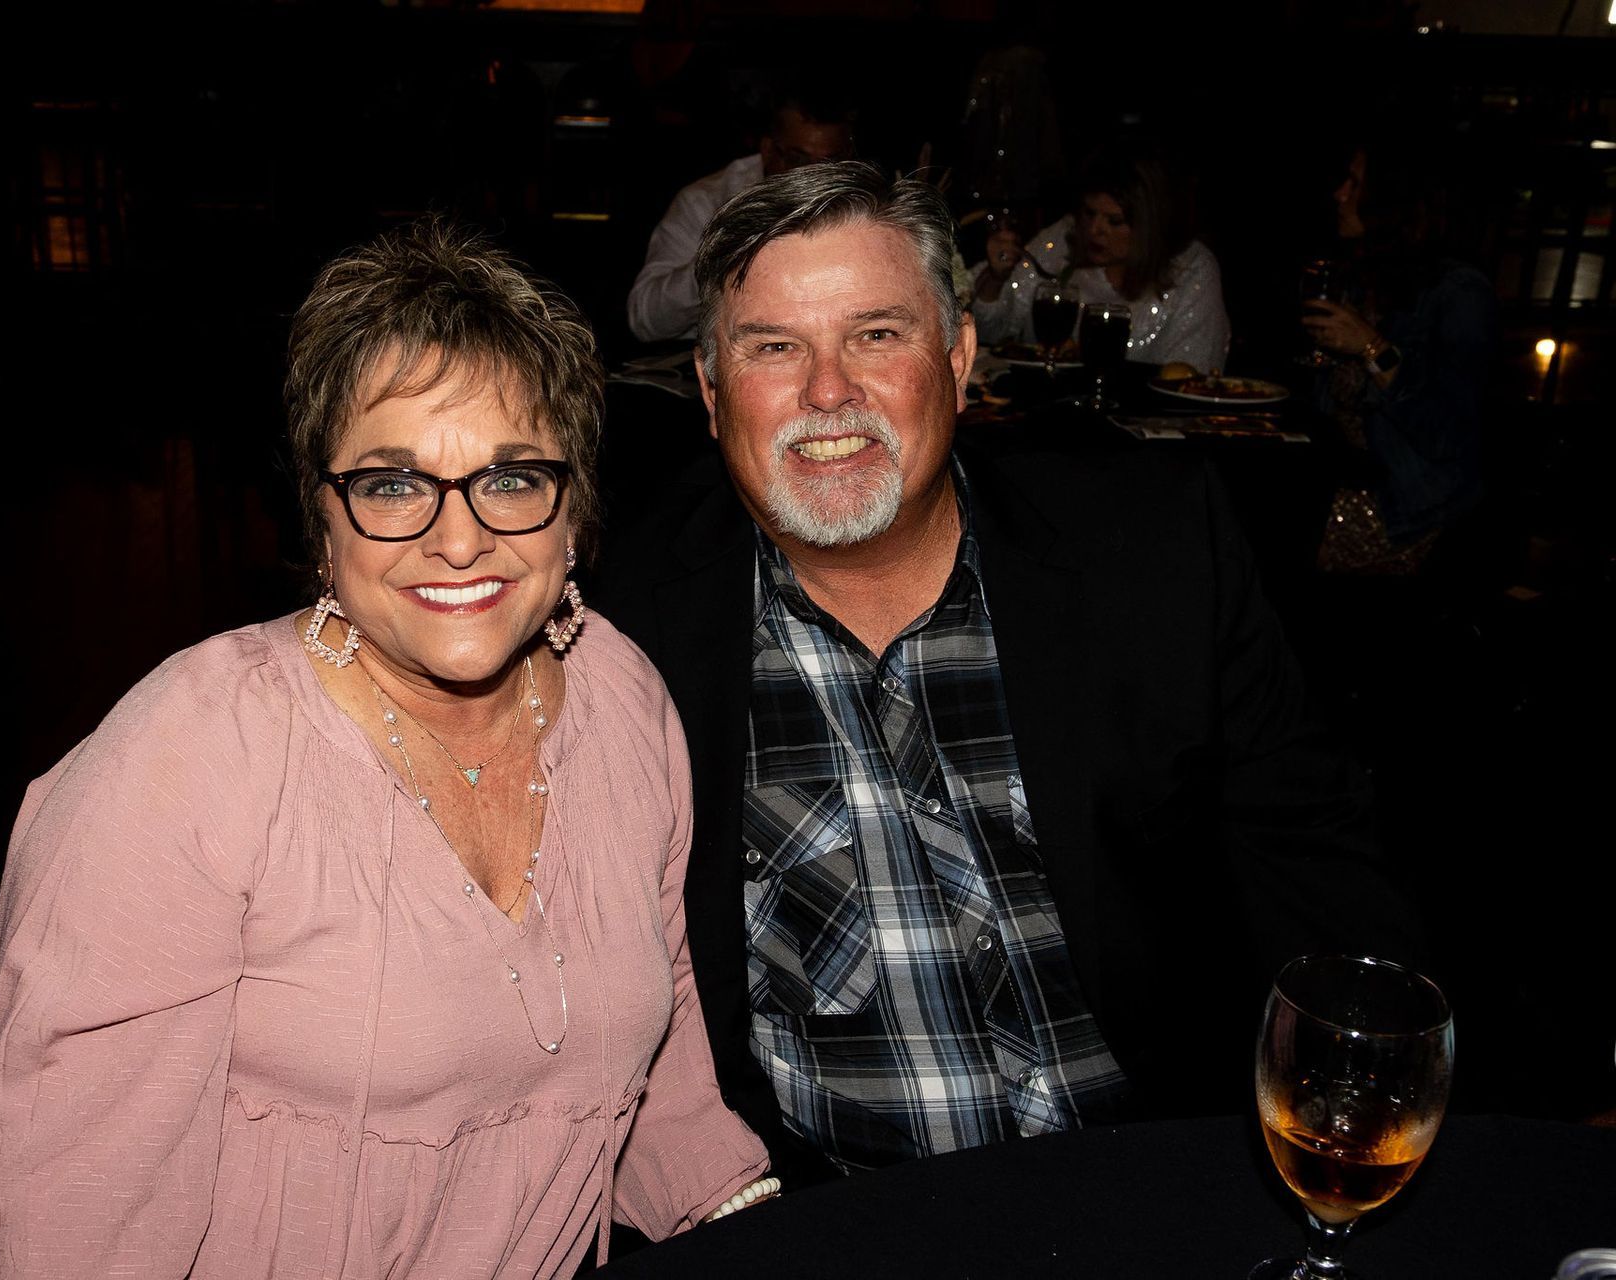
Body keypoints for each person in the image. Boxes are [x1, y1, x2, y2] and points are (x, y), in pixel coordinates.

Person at [0, 220, 772, 1279]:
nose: (459, 535)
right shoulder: (190, 759)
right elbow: (70, 1231)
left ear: (576, 512)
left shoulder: (623, 703)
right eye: (392, 483)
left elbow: (662, 1064)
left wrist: (760, 1220)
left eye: (512, 474)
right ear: (322, 520)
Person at [594, 162, 1414, 1182]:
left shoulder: (1152, 554)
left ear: (960, 356)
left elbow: (1316, 871)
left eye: (877, 334)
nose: (828, 391)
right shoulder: (620, 624)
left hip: (1158, 1176)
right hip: (841, 1219)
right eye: (773, 348)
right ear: (711, 394)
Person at [1301, 139, 1493, 574]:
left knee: (1275, 528)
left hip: (1409, 505)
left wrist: (1372, 348)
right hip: (1342, 476)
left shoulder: (1459, 294)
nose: (1340, 195)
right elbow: (1328, 407)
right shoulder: (1362, 277)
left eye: (1354, 184)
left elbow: (1447, 435)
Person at [971, 144, 1229, 372]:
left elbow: (1191, 377)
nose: (1095, 230)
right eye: (1089, 213)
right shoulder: (1061, 242)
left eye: (1114, 221)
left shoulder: (1190, 268)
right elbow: (991, 334)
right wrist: (995, 279)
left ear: (1150, 225)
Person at [626, 89, 855, 343]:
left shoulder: (864, 204)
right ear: (768, 150)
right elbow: (645, 320)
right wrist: (722, 259)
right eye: (798, 159)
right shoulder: (706, 200)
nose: (813, 175)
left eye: (831, 161)